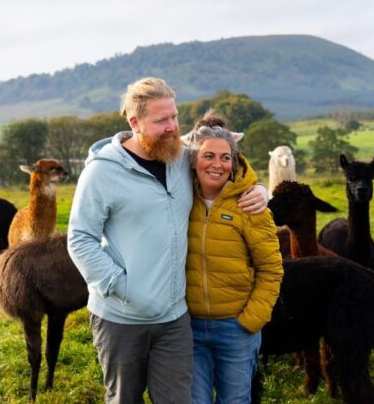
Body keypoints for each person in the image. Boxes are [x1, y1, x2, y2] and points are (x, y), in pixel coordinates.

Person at [67, 77, 269, 404]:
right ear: (135, 123)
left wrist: (261, 190)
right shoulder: (102, 172)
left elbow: (223, 167)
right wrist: (121, 286)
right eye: (162, 120)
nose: (173, 127)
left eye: (174, 117)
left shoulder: (180, 158)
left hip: (174, 320)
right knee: (124, 399)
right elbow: (80, 238)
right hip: (121, 318)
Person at [184, 112, 283, 404]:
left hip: (236, 328)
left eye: (225, 157)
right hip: (189, 327)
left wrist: (250, 320)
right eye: (209, 156)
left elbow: (271, 269)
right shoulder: (179, 200)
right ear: (193, 159)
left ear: (234, 161)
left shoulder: (251, 205)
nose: (217, 165)